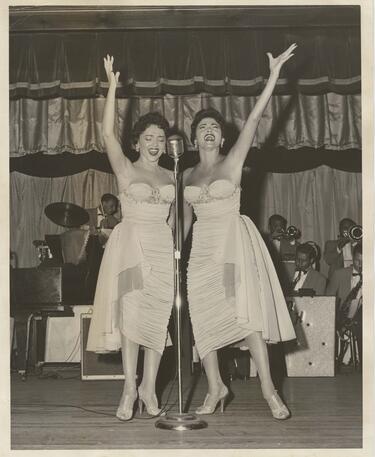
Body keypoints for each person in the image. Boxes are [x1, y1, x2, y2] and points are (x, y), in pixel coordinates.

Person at [183, 44, 297, 420]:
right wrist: (173, 255)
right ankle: (216, 386)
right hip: (200, 251)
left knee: (245, 317)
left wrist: (274, 77)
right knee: (202, 316)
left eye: (215, 126)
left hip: (232, 247)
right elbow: (184, 221)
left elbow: (254, 120)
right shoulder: (186, 176)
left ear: (222, 137)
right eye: (203, 127)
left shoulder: (233, 162)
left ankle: (269, 391)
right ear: (194, 139)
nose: (210, 131)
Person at [86, 55, 175, 421]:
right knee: (132, 316)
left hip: (162, 248)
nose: (155, 143)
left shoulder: (172, 177)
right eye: (148, 137)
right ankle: (128, 387)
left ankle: (149, 387)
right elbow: (107, 134)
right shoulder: (125, 168)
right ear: (137, 142)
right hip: (131, 248)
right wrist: (111, 88)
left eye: (160, 138)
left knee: (157, 318)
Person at [326, 243, 362, 365]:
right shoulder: (339, 274)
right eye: (358, 261)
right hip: (343, 317)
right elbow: (328, 301)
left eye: (365, 261)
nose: (361, 265)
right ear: (352, 258)